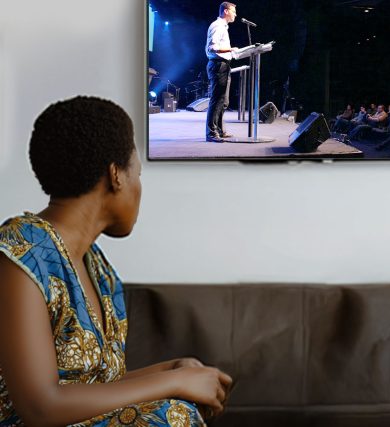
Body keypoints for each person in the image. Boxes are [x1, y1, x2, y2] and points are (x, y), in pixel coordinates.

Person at [0, 96, 233, 426]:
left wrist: (173, 370)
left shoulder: (99, 270)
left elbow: (95, 390)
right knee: (173, 416)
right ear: (116, 176)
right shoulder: (20, 250)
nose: (139, 187)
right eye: (138, 173)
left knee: (177, 405)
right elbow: (40, 406)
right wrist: (174, 382)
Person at [205, 2, 238, 142]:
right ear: (226, 11)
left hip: (223, 65)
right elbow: (212, 47)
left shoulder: (223, 27)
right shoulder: (218, 25)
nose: (235, 14)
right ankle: (211, 133)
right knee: (217, 99)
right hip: (218, 65)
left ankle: (219, 130)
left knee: (224, 101)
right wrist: (231, 49)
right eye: (233, 11)